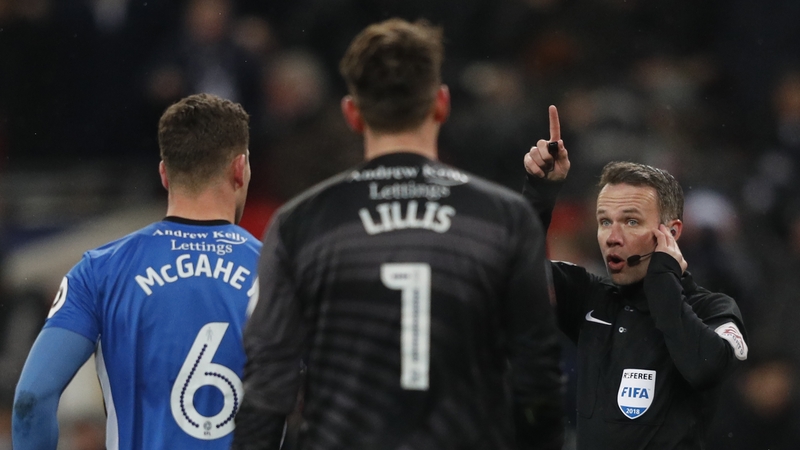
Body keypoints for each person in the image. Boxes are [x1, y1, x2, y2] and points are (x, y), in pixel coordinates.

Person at [231, 18, 564, 450]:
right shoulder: (504, 218)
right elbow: (537, 379)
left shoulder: (301, 223)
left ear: (352, 112)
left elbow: (268, 384)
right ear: (441, 103)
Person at [12, 93, 262, 450]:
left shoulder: (99, 271)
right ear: (240, 169)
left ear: (164, 173)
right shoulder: (279, 272)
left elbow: (32, 398)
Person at [522, 106, 749, 449]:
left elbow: (705, 367)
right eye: (603, 221)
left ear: (670, 232)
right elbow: (514, 271)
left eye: (630, 221)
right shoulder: (590, 299)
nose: (612, 236)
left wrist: (662, 276)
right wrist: (540, 193)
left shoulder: (713, 309)